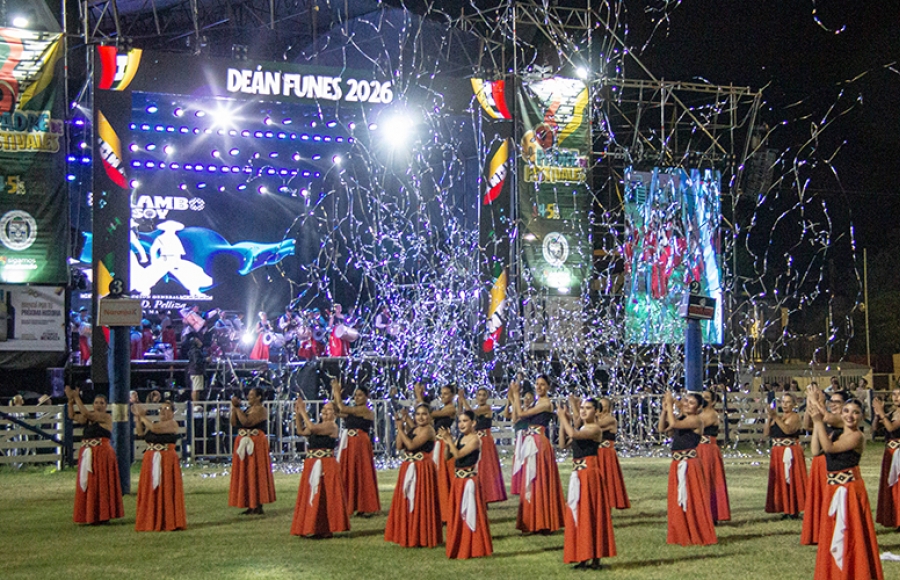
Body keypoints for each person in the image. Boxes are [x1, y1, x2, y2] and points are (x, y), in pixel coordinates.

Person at [808, 396, 884, 580]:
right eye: (846, 411)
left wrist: (818, 422)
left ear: (861, 416)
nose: (850, 416)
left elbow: (830, 449)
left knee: (852, 535)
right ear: (841, 414)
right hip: (834, 489)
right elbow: (816, 450)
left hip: (849, 490)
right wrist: (817, 422)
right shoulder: (836, 433)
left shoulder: (857, 436)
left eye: (855, 412)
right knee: (833, 532)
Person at [557, 398, 616, 569]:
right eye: (581, 408)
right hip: (578, 474)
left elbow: (574, 435)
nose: (583, 411)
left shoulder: (595, 429)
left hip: (589, 475)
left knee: (591, 513)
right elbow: (563, 444)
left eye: (588, 408)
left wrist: (563, 419)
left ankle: (595, 556)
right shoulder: (582, 428)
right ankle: (583, 555)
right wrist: (564, 423)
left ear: (596, 412)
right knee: (579, 514)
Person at [658, 391, 717, 546]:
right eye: (686, 401)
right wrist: (665, 410)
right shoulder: (681, 418)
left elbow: (676, 425)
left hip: (690, 464)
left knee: (692, 499)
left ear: (698, 408)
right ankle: (681, 533)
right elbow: (663, 429)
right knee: (677, 498)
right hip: (677, 463)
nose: (686, 404)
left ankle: (696, 532)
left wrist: (671, 405)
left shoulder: (696, 420)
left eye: (691, 403)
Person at [510, 375, 565, 534]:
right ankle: (532, 520)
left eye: (542, 385)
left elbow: (521, 414)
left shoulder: (545, 403)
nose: (539, 387)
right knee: (531, 481)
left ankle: (543, 521)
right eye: (537, 384)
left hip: (538, 443)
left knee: (539, 481)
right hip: (530, 441)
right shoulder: (535, 402)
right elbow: (516, 417)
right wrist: (514, 399)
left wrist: (515, 395)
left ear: (548, 387)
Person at [384, 404, 442, 548]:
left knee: (420, 501)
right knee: (406, 501)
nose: (420, 417)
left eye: (424, 414)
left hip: (422, 468)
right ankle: (407, 535)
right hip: (408, 466)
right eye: (418, 414)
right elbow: (399, 446)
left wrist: (400, 429)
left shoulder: (429, 430)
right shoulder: (414, 429)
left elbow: (411, 445)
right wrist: (401, 429)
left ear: (429, 416)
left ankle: (421, 536)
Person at [290, 397, 349, 538]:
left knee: (323, 496)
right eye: (324, 409)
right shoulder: (317, 425)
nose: (325, 412)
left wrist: (304, 412)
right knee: (310, 494)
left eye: (329, 410)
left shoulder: (331, 426)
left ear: (335, 414)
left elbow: (313, 428)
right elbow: (301, 431)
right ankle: (308, 526)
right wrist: (298, 413)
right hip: (312, 462)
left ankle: (323, 528)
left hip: (325, 464)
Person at [65, 386, 123, 525]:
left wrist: (77, 397)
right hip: (88, 452)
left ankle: (103, 515)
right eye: (96, 402)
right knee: (89, 483)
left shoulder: (106, 417)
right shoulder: (88, 417)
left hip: (101, 453)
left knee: (101, 484)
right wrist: (70, 402)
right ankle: (90, 514)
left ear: (106, 405)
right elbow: (72, 416)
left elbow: (87, 414)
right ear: (93, 404)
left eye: (102, 403)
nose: (99, 405)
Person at [439, 410, 493, 559]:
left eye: (465, 421)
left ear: (473, 423)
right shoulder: (460, 438)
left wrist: (450, 441)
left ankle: (474, 547)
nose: (461, 424)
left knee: (472, 513)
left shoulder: (475, 440)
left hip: (469, 482)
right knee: (457, 515)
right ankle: (459, 545)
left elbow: (459, 455)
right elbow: (447, 457)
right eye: (460, 421)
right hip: (458, 481)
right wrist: (446, 443)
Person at [801, 387, 846, 545]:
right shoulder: (826, 418)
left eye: (837, 402)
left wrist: (815, 400)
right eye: (831, 401)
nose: (833, 404)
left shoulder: (842, 419)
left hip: (833, 464)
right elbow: (808, 425)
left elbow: (826, 417)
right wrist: (811, 404)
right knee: (819, 499)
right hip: (820, 461)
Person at [133, 400, 187, 531]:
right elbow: (141, 433)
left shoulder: (172, 424)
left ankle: (166, 519)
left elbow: (154, 429)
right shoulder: (155, 423)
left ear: (172, 412)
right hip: (151, 459)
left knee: (166, 488)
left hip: (166, 459)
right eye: (161, 408)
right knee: (150, 489)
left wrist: (143, 416)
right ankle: (150, 518)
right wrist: (137, 419)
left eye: (167, 408)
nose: (163, 411)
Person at [332, 378, 381, 516]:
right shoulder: (354, 410)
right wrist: (335, 395)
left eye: (360, 395)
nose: (357, 398)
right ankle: (350, 503)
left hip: (359, 443)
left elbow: (342, 408)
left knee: (361, 472)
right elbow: (338, 411)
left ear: (367, 397)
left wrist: (336, 391)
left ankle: (364, 505)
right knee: (348, 471)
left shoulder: (364, 410)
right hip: (350, 442)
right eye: (355, 395)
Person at [228, 387, 276, 515]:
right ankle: (249, 503)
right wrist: (234, 408)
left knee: (255, 471)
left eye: (252, 395)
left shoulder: (261, 410)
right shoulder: (246, 409)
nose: (249, 397)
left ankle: (258, 504)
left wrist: (237, 408)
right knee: (246, 472)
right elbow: (234, 423)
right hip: (244, 442)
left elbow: (247, 422)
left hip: (256, 444)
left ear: (259, 397)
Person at [416, 382, 457, 522]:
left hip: (444, 444)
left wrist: (419, 398)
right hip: (437, 444)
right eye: (442, 393)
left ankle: (447, 512)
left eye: (446, 394)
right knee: (439, 477)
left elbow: (431, 414)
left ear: (452, 395)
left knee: (444, 477)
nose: (443, 396)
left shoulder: (451, 408)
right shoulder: (443, 408)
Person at [459, 387, 507, 504]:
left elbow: (471, 414)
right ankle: (479, 494)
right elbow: (463, 415)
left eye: (483, 395)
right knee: (477, 467)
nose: (481, 397)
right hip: (476, 439)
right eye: (479, 394)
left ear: (487, 397)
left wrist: (463, 399)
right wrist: (460, 402)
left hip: (485, 441)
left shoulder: (487, 408)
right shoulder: (477, 409)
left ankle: (488, 495)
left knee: (485, 468)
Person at [764, 392, 807, 519]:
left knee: (792, 479)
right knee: (780, 480)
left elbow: (787, 430)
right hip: (777, 451)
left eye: (788, 402)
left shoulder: (795, 417)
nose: (785, 405)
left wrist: (775, 417)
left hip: (790, 450)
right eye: (783, 402)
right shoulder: (779, 417)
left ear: (794, 404)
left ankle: (794, 509)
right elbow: (767, 433)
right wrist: (769, 418)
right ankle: (783, 507)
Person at [697, 390, 730, 523]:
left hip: (709, 449)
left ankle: (712, 513)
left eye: (706, 398)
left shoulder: (712, 414)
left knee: (710, 480)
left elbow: (697, 425)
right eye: (702, 397)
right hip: (699, 448)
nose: (703, 400)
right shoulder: (699, 413)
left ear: (713, 401)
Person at [595, 396, 631, 510]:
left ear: (610, 408)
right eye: (600, 406)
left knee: (607, 480)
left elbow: (596, 427)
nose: (602, 409)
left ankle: (608, 506)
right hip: (597, 453)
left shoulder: (611, 419)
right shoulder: (596, 418)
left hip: (606, 454)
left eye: (604, 407)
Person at [873, 388, 900, 528]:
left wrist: (881, 413)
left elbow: (890, 428)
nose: (896, 397)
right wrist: (878, 415)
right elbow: (875, 428)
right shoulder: (891, 412)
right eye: (894, 394)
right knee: (890, 485)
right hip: (889, 452)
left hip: (898, 454)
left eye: (899, 394)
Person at [503, 386, 535, 496]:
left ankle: (525, 482)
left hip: (526, 438)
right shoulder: (520, 408)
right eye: (525, 398)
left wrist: (513, 400)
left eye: (529, 398)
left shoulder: (530, 411)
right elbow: (506, 414)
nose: (526, 400)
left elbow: (515, 420)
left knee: (525, 460)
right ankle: (518, 485)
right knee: (517, 459)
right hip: (519, 438)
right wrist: (509, 402)